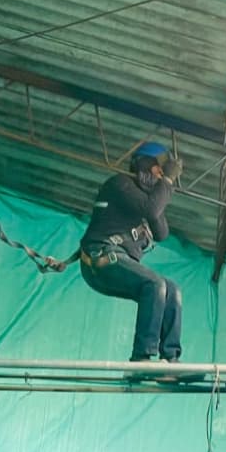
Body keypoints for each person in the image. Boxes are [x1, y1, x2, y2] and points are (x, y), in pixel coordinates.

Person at [78, 142, 184, 377]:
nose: (160, 174)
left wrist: (160, 191)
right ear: (144, 165)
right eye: (158, 169)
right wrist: (166, 184)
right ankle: (141, 359)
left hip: (118, 263)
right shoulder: (120, 184)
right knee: (155, 284)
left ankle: (171, 361)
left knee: (171, 290)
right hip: (101, 257)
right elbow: (151, 209)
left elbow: (162, 233)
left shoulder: (146, 203)